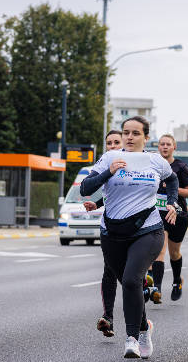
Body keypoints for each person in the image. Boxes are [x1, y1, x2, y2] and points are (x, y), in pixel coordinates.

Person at [80, 116, 179, 359]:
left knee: (133, 280)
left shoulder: (155, 161)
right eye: (126, 133)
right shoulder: (110, 158)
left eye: (136, 133)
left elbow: (172, 179)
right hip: (112, 232)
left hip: (148, 228)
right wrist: (108, 172)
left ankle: (133, 338)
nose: (130, 137)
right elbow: (85, 188)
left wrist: (173, 202)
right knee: (127, 283)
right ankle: (145, 327)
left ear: (146, 137)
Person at [83, 130, 122, 338]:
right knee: (110, 269)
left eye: (117, 142)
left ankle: (141, 328)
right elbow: (112, 195)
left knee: (131, 277)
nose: (113, 146)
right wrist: (97, 203)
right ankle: (108, 318)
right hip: (111, 224)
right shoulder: (106, 163)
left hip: (137, 227)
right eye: (109, 143)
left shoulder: (137, 162)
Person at [149, 134, 188, 303]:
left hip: (178, 214)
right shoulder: (152, 164)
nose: (165, 147)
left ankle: (177, 280)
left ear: (174, 147)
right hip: (157, 214)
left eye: (168, 144)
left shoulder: (180, 167)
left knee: (174, 252)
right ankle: (157, 289)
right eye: (162, 144)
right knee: (159, 250)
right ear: (158, 146)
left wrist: (172, 188)